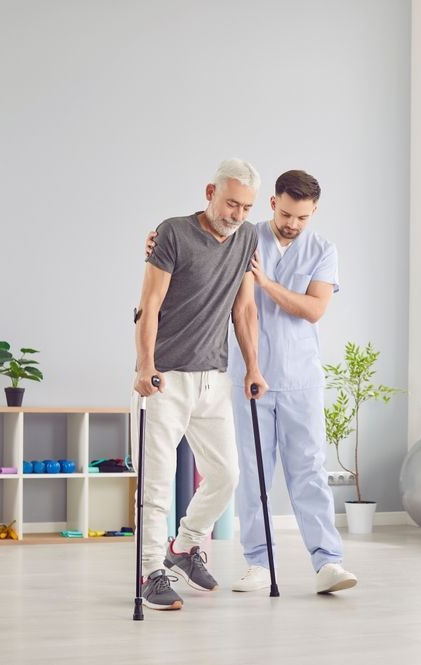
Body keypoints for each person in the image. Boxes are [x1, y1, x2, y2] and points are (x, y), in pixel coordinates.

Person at [145, 169, 357, 594]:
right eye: (287, 213)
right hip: (244, 378)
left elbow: (315, 309)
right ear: (273, 202)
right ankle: (257, 562)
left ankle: (327, 562)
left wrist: (266, 283)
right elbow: (194, 245)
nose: (293, 224)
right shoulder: (246, 234)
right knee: (251, 475)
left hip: (299, 378)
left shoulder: (321, 250)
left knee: (308, 472)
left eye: (304, 217)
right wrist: (156, 245)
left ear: (313, 213)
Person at [133, 158, 268, 612]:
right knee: (158, 482)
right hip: (166, 377)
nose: (237, 214)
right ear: (209, 192)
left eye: (246, 207)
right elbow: (149, 304)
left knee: (227, 474)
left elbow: (244, 311)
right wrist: (144, 364)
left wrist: (253, 368)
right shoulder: (172, 233)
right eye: (231, 203)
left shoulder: (246, 238)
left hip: (214, 378)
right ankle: (151, 571)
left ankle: (184, 547)